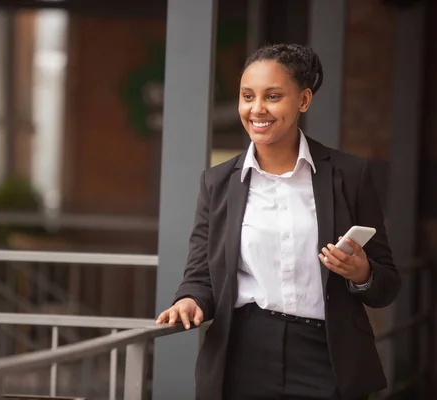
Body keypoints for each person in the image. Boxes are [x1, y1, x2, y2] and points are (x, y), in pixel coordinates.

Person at [155, 43, 401, 400]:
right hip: (243, 353)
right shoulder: (218, 183)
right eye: (247, 96)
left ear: (303, 100)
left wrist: (361, 272)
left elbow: (388, 285)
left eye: (273, 96)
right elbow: (200, 276)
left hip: (327, 355)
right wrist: (190, 300)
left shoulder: (350, 175)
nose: (257, 109)